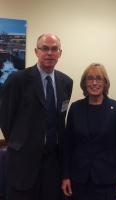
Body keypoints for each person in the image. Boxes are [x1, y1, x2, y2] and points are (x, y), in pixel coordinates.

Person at [0, 33, 73, 200]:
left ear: (60, 53)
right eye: (45, 48)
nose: (49, 53)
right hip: (23, 164)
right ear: (36, 51)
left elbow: (60, 120)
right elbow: (5, 119)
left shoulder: (66, 82)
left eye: (54, 49)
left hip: (53, 164)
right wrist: (20, 144)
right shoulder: (18, 80)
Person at [62, 63, 116, 200]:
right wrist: (65, 176)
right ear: (84, 83)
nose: (94, 83)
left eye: (99, 78)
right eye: (90, 78)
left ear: (105, 83)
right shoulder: (75, 108)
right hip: (79, 180)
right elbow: (67, 147)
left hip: (109, 182)